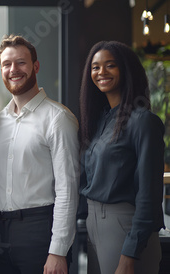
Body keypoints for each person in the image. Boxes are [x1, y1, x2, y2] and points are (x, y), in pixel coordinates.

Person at [0, 34, 80, 274]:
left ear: (36, 66)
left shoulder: (58, 118)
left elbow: (68, 188)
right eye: (6, 64)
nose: (14, 70)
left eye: (21, 62)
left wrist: (58, 251)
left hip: (41, 231)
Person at [79, 41, 164, 274]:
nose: (101, 72)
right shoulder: (101, 121)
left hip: (124, 225)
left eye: (110, 65)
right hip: (94, 225)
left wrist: (131, 252)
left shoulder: (143, 121)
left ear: (126, 70)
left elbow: (150, 193)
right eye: (95, 67)